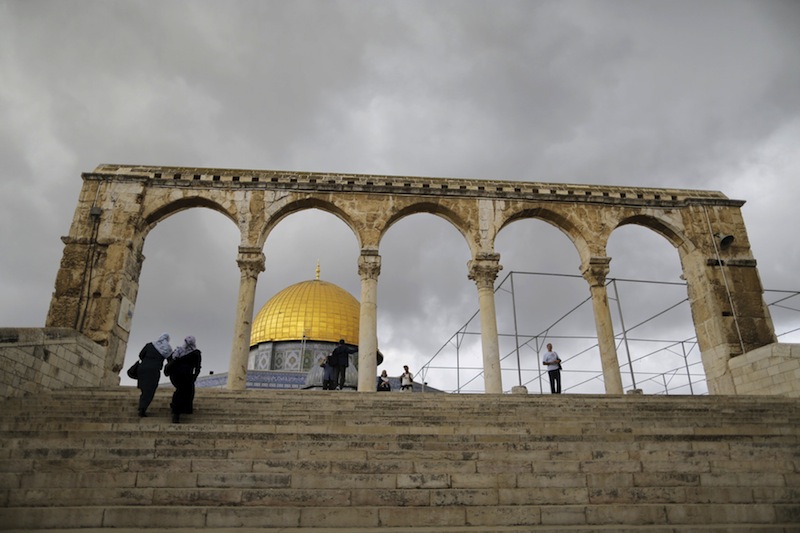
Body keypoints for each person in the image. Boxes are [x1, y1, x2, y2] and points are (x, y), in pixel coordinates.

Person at [165, 335, 202, 423]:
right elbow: (198, 367)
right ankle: (177, 411)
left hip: (175, 375)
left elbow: (170, 360)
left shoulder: (178, 350)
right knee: (184, 392)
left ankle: (176, 408)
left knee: (181, 391)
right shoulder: (196, 353)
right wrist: (194, 377)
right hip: (186, 376)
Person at [136, 333, 172, 417]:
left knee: (144, 388)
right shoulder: (167, 348)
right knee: (149, 390)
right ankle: (142, 408)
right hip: (154, 370)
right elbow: (170, 361)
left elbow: (141, 355)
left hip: (142, 368)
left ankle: (141, 405)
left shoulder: (150, 345)